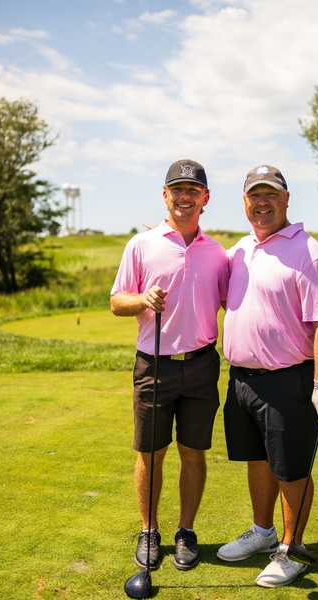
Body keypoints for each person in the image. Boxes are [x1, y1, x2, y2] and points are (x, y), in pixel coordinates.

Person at [217, 165, 318, 588]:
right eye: (255, 195)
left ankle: (291, 548)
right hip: (242, 381)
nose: (262, 202)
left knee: (291, 468)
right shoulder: (240, 250)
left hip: (288, 380)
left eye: (270, 194)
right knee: (258, 459)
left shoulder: (309, 252)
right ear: (245, 202)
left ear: (286, 199)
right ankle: (263, 531)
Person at [111, 159, 229, 572]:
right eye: (177, 189)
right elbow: (117, 302)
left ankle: (186, 531)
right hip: (154, 365)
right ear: (165, 195)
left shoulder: (217, 253)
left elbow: (234, 302)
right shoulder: (141, 245)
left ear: (205, 198)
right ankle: (149, 530)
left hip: (201, 366)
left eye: (193, 190)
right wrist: (142, 300)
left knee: (193, 453)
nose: (185, 196)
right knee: (151, 453)